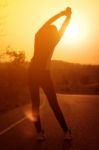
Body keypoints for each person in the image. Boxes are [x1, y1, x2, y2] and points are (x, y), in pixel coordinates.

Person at [28, 7, 72, 141]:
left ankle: (39, 133)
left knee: (35, 104)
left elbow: (47, 23)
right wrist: (68, 16)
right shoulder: (53, 41)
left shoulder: (38, 36)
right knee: (53, 103)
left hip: (32, 73)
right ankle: (66, 131)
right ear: (53, 33)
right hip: (43, 74)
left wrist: (60, 14)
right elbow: (63, 28)